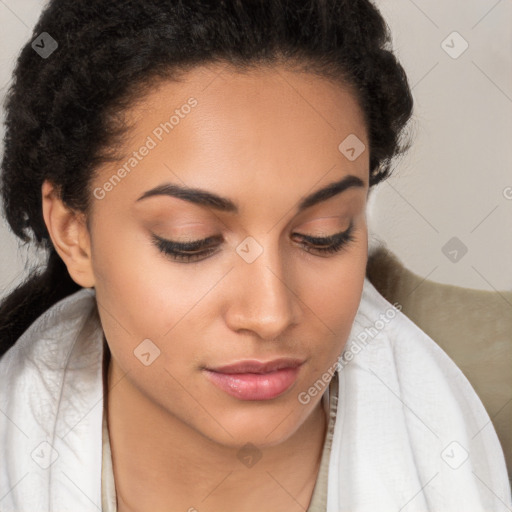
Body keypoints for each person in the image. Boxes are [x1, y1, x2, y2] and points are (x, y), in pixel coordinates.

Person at [0, 1, 510, 511]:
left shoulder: (490, 390)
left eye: (323, 234)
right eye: (190, 241)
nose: (270, 314)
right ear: (74, 233)